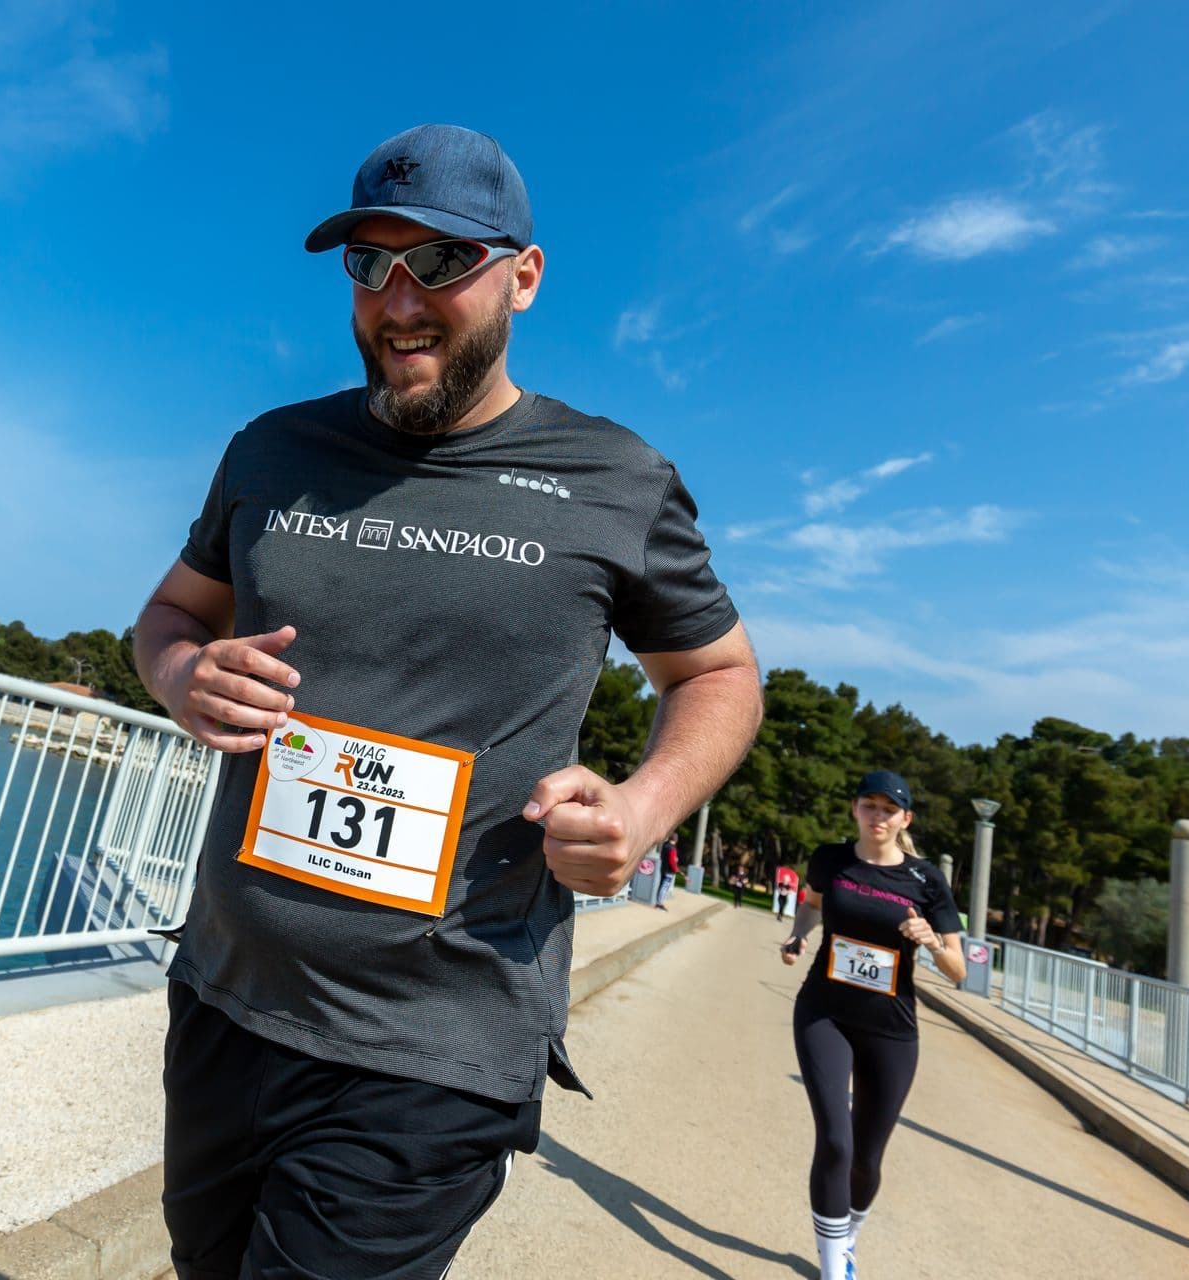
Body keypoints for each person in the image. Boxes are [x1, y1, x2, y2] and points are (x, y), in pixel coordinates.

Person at [133, 123, 763, 1279]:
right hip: (225, 997)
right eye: (368, 264)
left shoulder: (615, 479)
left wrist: (642, 807)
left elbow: (717, 674)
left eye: (439, 262)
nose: (398, 300)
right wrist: (182, 674)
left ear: (524, 274)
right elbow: (171, 615)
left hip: (436, 1045)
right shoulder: (271, 450)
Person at [778, 771, 965, 1280]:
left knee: (866, 1158)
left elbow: (958, 970)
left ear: (905, 819)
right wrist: (798, 936)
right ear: (855, 809)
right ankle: (833, 1267)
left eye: (889, 809)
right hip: (824, 1012)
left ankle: (847, 1238)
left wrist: (931, 940)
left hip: (891, 1029)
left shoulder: (926, 880)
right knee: (835, 1141)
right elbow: (812, 905)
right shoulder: (831, 860)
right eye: (869, 805)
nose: (877, 816)